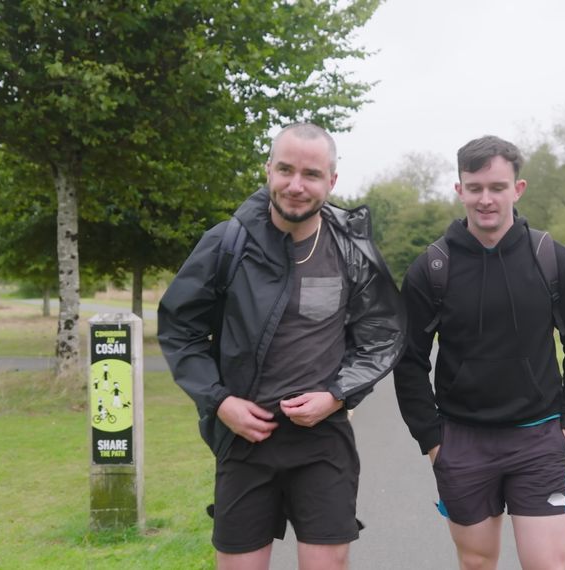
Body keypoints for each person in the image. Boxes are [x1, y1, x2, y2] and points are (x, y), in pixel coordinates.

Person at [158, 123, 405, 570]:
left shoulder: (351, 250)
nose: (296, 185)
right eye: (285, 170)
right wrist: (219, 402)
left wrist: (337, 396)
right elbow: (180, 331)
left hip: (322, 443)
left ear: (331, 181)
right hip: (245, 441)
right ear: (268, 169)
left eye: (311, 174)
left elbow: (380, 337)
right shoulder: (226, 244)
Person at [393, 135, 565, 570]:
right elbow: (408, 361)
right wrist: (432, 441)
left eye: (497, 187)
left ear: (517, 189)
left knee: (547, 565)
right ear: (459, 189)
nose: (485, 199)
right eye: (475, 187)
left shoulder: (554, 261)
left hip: (541, 439)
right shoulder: (432, 268)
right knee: (477, 564)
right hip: (462, 441)